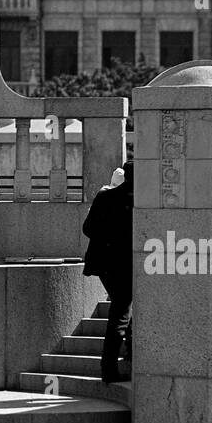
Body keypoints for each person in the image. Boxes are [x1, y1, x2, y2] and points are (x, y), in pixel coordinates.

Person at [82, 160, 134, 385]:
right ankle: (109, 367)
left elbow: (88, 228)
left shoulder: (105, 196)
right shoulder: (137, 202)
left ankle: (124, 356)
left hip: (104, 265)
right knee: (121, 313)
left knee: (122, 308)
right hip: (124, 264)